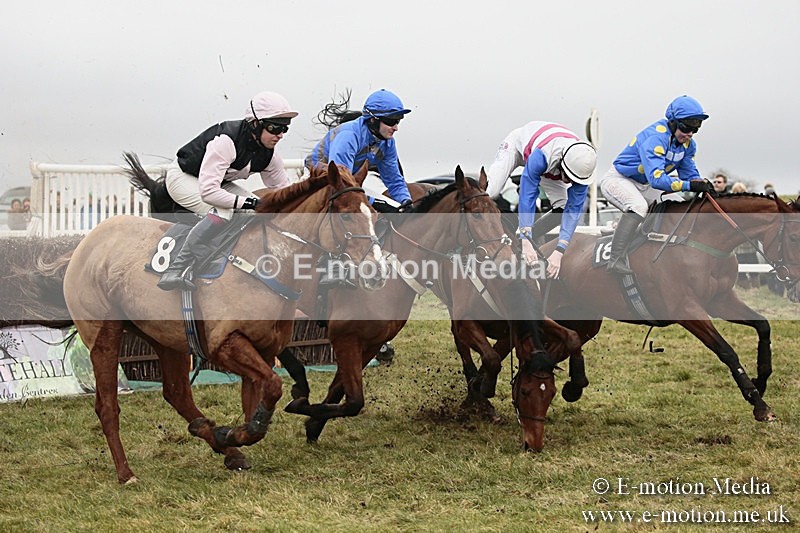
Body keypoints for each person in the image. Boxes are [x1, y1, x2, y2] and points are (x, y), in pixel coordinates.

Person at [158, 91, 298, 291]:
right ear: (255, 124)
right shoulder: (226, 141)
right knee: (225, 209)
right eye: (275, 127)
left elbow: (285, 192)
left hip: (215, 182)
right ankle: (177, 267)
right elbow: (209, 193)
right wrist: (252, 202)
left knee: (255, 212)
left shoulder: (270, 154)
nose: (280, 134)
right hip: (183, 179)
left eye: (285, 128)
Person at [599, 95, 713, 275]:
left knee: (678, 206)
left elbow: (689, 175)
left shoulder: (688, 145)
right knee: (638, 206)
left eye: (695, 129)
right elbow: (658, 180)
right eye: (686, 127)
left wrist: (702, 184)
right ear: (673, 123)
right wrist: (690, 186)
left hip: (646, 184)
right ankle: (615, 259)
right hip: (619, 179)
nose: (690, 134)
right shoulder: (655, 138)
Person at [486, 121, 597, 278]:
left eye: (573, 180)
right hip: (518, 146)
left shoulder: (582, 171)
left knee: (564, 206)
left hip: (552, 161)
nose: (568, 183)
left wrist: (559, 251)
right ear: (562, 163)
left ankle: (520, 240)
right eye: (568, 177)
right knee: (491, 192)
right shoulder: (541, 156)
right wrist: (526, 239)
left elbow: (572, 213)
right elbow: (527, 196)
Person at [305, 89, 412, 212]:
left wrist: (405, 200)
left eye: (398, 121)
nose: (396, 127)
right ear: (373, 119)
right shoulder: (348, 136)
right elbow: (341, 182)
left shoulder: (388, 142)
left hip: (348, 184)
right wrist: (375, 203)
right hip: (317, 179)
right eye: (391, 121)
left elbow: (393, 179)